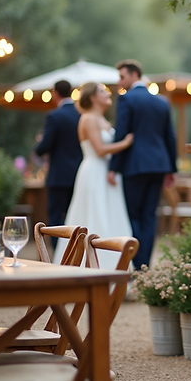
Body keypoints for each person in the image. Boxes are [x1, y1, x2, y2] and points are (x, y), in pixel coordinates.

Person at [53, 82, 134, 269]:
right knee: (94, 217)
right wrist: (126, 143)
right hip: (94, 172)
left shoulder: (103, 119)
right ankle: (92, 267)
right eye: (102, 91)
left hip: (106, 174)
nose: (107, 94)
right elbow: (99, 149)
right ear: (92, 97)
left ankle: (114, 267)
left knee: (110, 217)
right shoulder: (88, 118)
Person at [109, 59, 177, 269]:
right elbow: (170, 138)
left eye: (122, 76)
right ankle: (144, 265)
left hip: (134, 165)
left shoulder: (126, 99)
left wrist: (113, 167)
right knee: (150, 215)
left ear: (134, 75)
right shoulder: (162, 101)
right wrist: (172, 169)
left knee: (134, 215)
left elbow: (122, 134)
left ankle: (137, 265)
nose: (120, 81)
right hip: (159, 165)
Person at [34, 80, 83, 244]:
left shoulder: (54, 115)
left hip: (58, 175)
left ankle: (58, 255)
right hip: (79, 175)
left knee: (56, 218)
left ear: (55, 93)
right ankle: (73, 251)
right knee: (74, 216)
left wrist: (39, 145)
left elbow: (45, 146)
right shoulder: (81, 115)